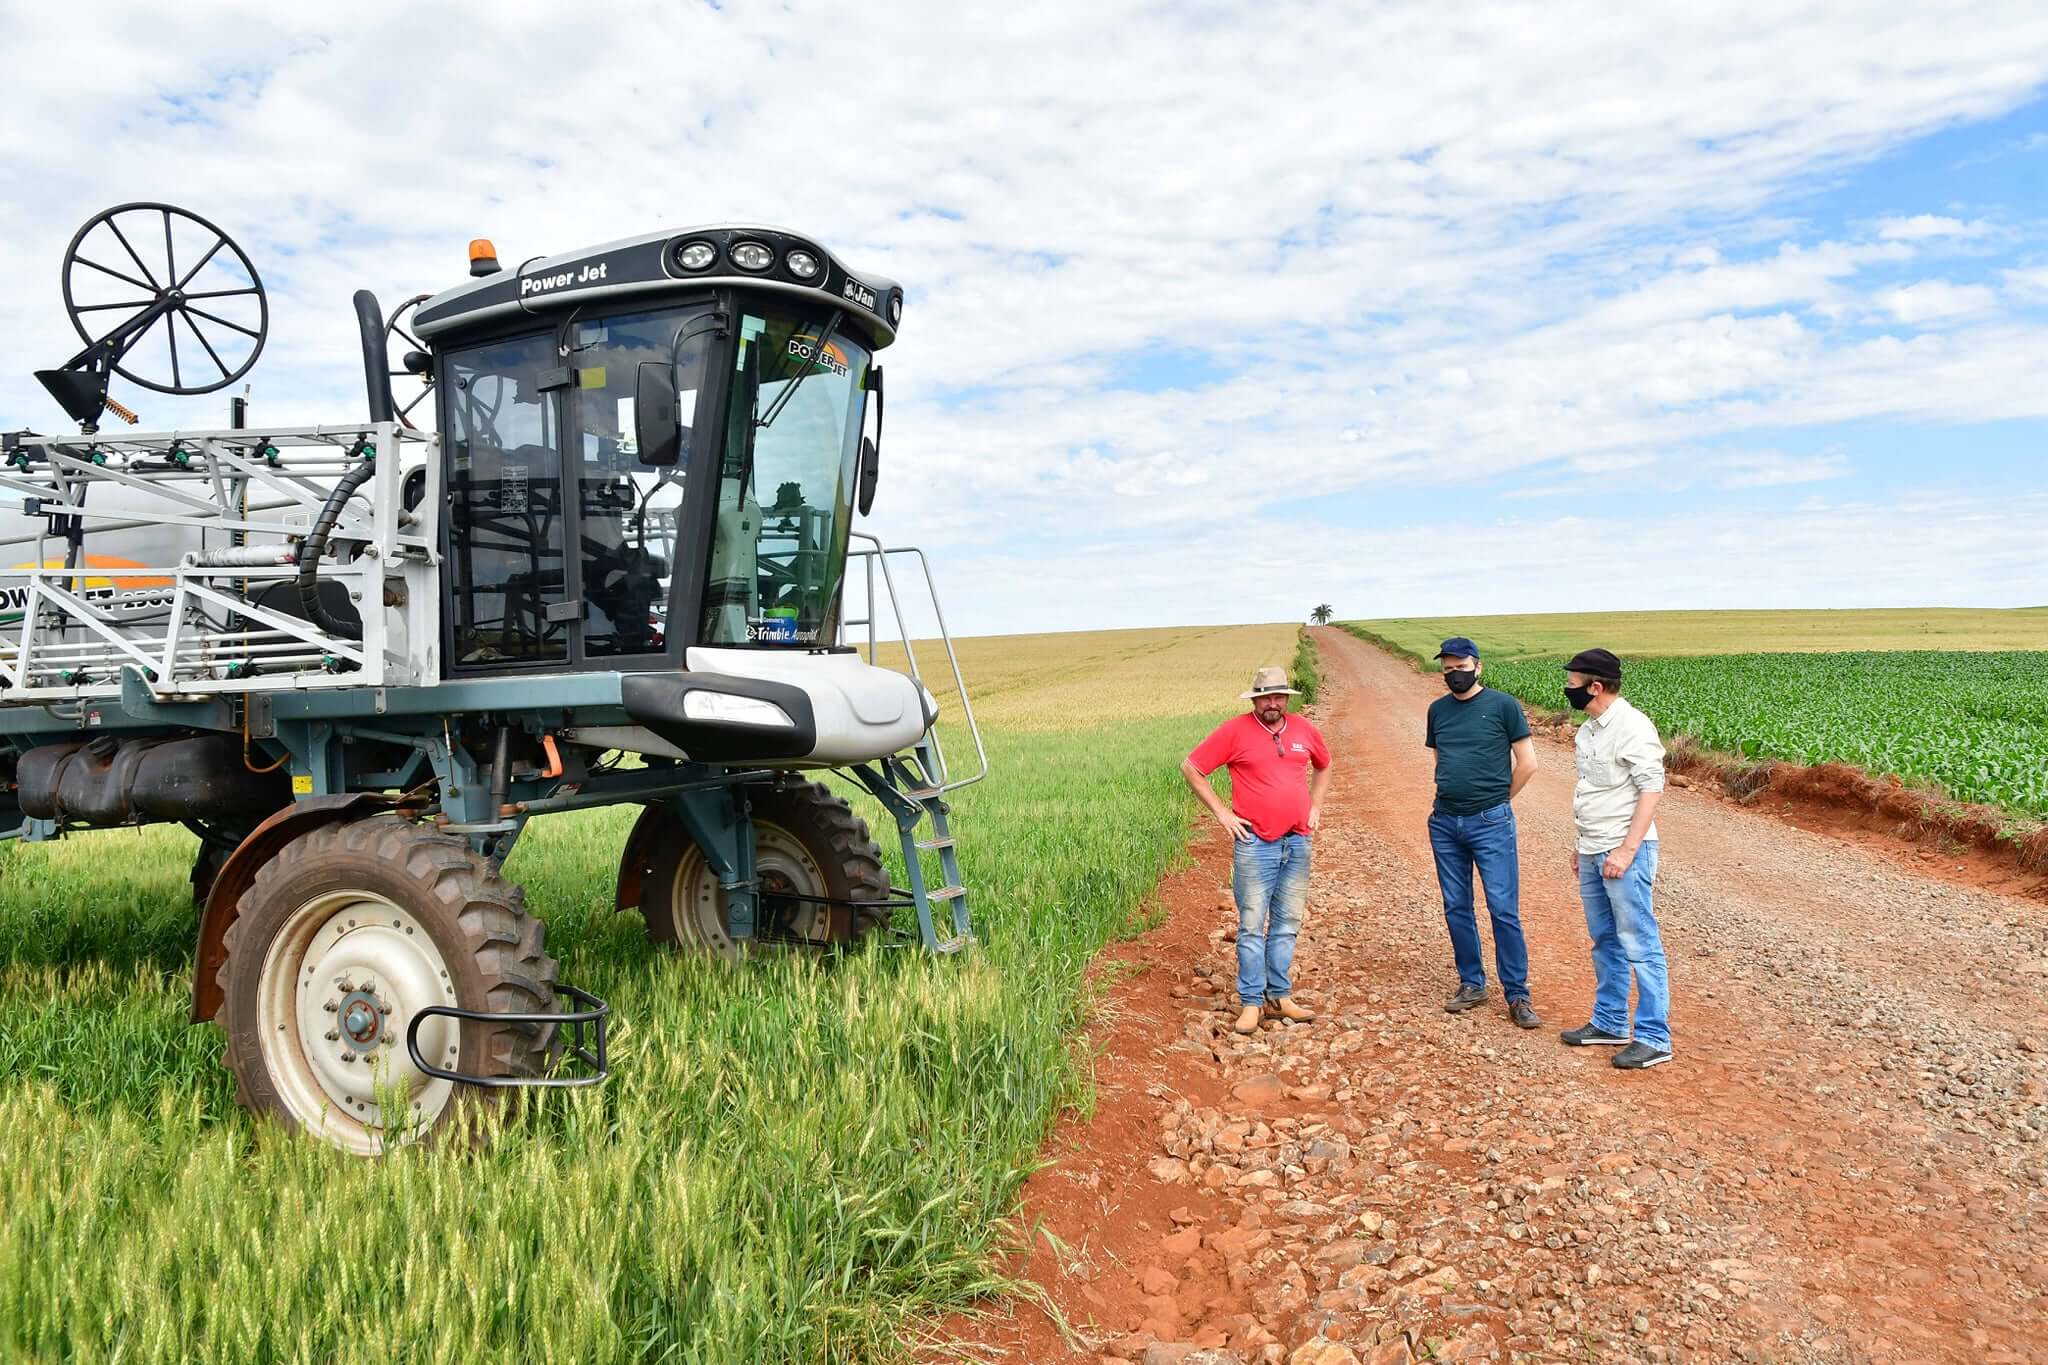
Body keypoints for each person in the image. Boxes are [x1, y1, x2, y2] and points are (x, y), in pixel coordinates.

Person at [1182, 666, 1334, 1035]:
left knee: (1287, 923)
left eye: (1279, 696)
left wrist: (1315, 806)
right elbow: (1191, 767)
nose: (1272, 703)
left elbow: (1324, 765)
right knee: (1252, 924)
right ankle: (1251, 1002)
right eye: (1265, 697)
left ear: (1287, 699)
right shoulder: (1234, 731)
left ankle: (1281, 996)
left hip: (1297, 840)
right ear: (1254, 699)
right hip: (1255, 844)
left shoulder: (1303, 729)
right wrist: (1222, 814)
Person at [1559, 648, 1673, 1069]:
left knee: (1639, 943)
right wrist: (1580, 844)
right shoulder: (1588, 730)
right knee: (1605, 939)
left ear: (1595, 686)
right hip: (1593, 847)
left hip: (1624, 850)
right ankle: (1609, 1022)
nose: (1566, 690)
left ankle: (1654, 1037)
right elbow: (1593, 790)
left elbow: (1652, 789)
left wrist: (1626, 850)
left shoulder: (1632, 726)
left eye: (1572, 683)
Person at [1424, 636, 1542, 1027]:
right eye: (1448, 669)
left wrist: (1498, 801)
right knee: (1456, 906)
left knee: (1503, 909)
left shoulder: (1503, 706)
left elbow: (1527, 763)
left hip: (1491, 821)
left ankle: (1517, 994)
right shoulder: (1437, 711)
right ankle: (1471, 982)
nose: (1454, 674)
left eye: (1461, 667)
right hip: (1444, 821)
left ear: (1479, 666)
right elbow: (1442, 760)